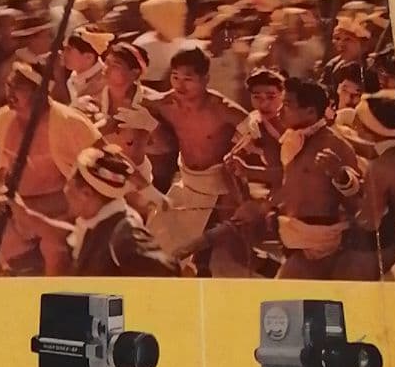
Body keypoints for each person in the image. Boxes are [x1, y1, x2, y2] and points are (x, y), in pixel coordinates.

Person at [0, 62, 100, 275]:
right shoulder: (4, 117)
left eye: (18, 87)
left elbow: (103, 155)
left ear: (39, 92)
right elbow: (0, 158)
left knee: (53, 248)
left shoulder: (69, 122)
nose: (10, 92)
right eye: (9, 85)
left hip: (62, 209)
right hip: (18, 209)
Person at [143, 47, 249, 275]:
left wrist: (241, 155)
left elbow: (255, 130)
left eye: (188, 79)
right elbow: (137, 100)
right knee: (157, 241)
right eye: (175, 77)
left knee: (227, 255)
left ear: (205, 79)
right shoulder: (166, 104)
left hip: (222, 187)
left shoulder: (221, 108)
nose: (180, 85)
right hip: (187, 183)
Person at [270, 78, 368, 280]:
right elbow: (291, 179)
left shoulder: (334, 145)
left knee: (284, 291)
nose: (279, 111)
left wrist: (340, 176)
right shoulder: (292, 139)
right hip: (290, 234)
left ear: (310, 112)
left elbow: (358, 204)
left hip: (319, 244)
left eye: (287, 104)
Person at [63, 147, 178, 276]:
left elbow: (165, 275)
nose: (65, 190)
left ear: (86, 193)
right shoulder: (94, 228)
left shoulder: (124, 233)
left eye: (69, 184)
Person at [350, 91, 395, 278]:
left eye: (357, 121)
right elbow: (373, 149)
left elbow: (369, 221)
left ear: (367, 130)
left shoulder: (380, 168)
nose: (352, 125)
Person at [226, 68, 286, 192]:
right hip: (275, 192)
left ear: (283, 95)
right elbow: (232, 160)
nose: (264, 103)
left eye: (271, 97)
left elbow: (297, 172)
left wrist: (249, 171)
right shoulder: (252, 123)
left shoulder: (296, 122)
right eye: (257, 97)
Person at [134, 0, 198, 89]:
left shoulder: (183, 43)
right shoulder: (144, 46)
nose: (181, 21)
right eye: (174, 16)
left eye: (182, 16)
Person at [60, 27, 113, 104]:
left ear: (89, 57)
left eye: (69, 50)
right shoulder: (73, 77)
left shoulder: (105, 83)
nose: (63, 53)